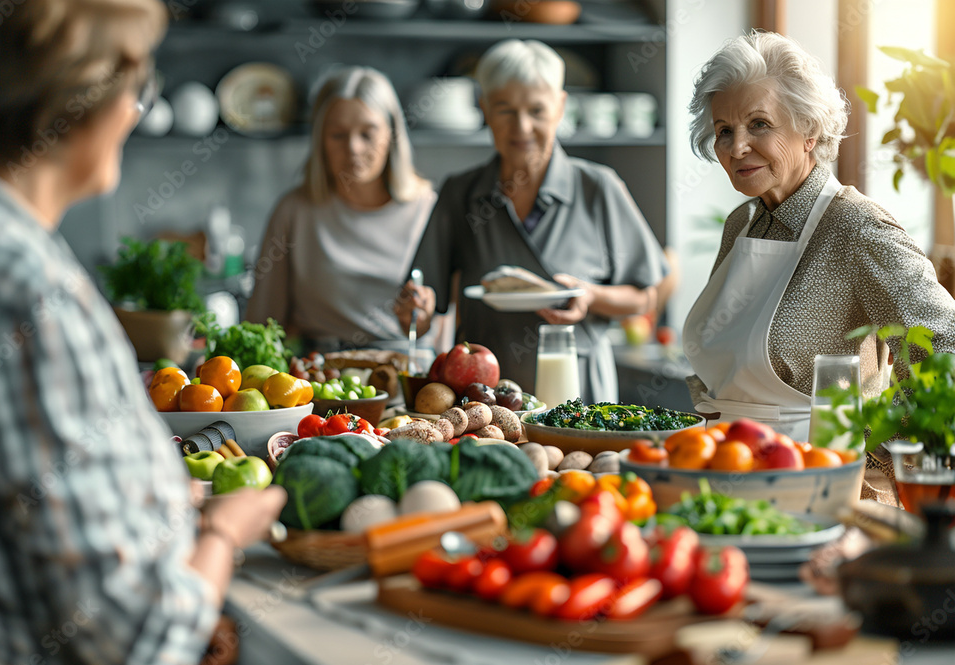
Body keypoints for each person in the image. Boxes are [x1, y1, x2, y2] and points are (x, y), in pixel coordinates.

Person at [0, 2, 286, 665]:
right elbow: (132, 637)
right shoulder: (31, 299)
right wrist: (222, 531)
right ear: (74, 103)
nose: (136, 112)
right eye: (137, 89)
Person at [682, 31, 955, 486]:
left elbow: (944, 352)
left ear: (809, 130)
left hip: (823, 488)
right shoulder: (742, 222)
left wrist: (879, 447)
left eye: (759, 124)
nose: (736, 147)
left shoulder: (858, 228)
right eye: (724, 130)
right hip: (723, 473)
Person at [395, 39, 669, 402]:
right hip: (483, 396)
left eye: (536, 110)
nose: (521, 127)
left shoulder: (597, 187)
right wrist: (416, 308)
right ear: (484, 108)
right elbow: (422, 312)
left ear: (560, 107)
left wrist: (590, 294)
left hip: (580, 390)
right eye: (505, 109)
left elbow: (645, 296)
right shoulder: (460, 193)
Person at [246, 66, 440, 353]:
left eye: (367, 133)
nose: (353, 148)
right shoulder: (295, 211)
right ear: (320, 140)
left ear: (392, 135)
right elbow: (262, 323)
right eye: (338, 135)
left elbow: (441, 329)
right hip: (319, 375)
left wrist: (422, 318)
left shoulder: (429, 210)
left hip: (406, 372)